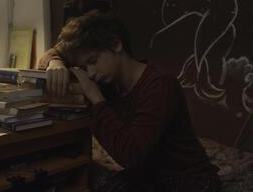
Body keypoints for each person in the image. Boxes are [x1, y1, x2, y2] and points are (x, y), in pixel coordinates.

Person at [38, 10, 221, 191]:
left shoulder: (160, 85)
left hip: (188, 180)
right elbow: (49, 55)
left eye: (93, 61)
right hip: (147, 177)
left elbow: (130, 155)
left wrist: (97, 99)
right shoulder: (111, 84)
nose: (91, 73)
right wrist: (56, 62)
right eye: (84, 68)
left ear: (116, 44)